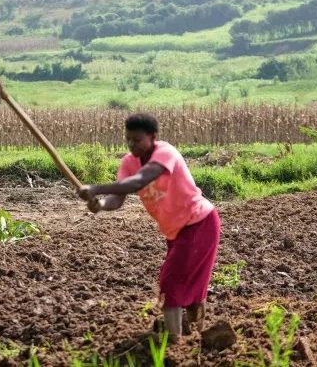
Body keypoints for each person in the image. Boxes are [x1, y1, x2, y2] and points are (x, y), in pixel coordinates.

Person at [78, 113, 221, 343]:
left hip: (198, 222)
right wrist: (101, 204)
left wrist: (96, 188)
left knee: (170, 282)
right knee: (186, 283)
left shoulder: (165, 153)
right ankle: (196, 334)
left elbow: (139, 181)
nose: (131, 145)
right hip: (175, 230)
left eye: (137, 140)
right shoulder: (128, 162)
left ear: (153, 137)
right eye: (128, 139)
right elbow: (118, 198)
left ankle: (174, 342)